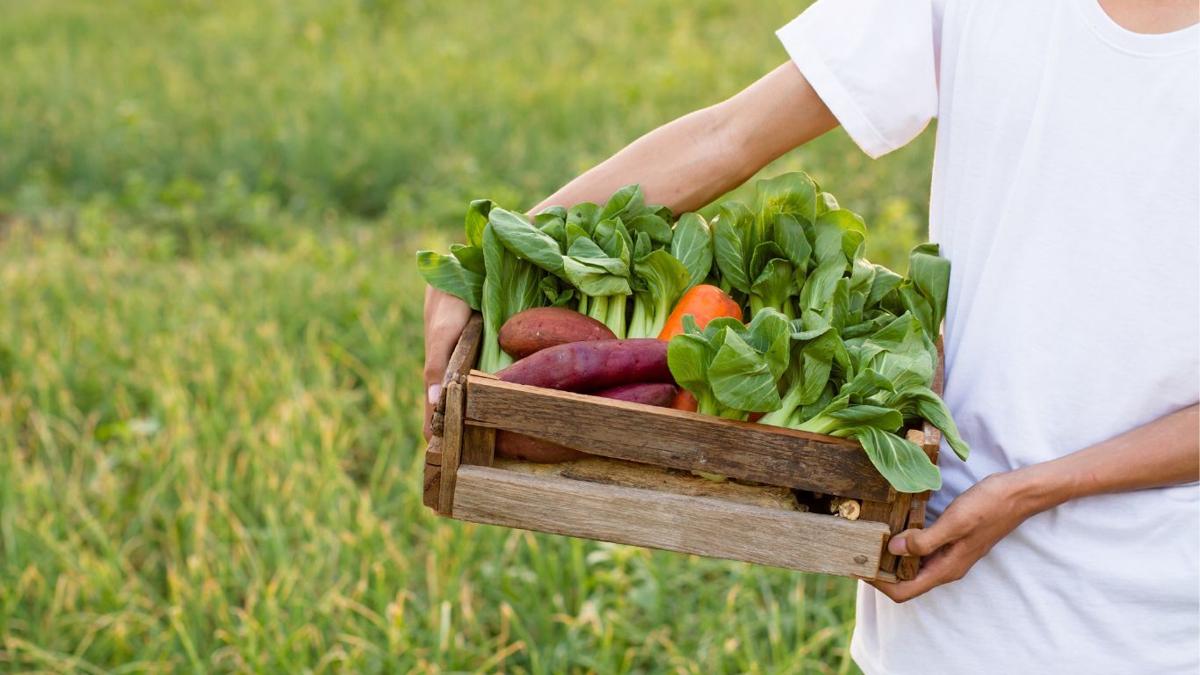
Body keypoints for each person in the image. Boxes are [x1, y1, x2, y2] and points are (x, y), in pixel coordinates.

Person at [422, 1, 1199, 672]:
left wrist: (1032, 491)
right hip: (945, 604)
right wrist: (493, 251)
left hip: (1147, 624)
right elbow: (730, 134)